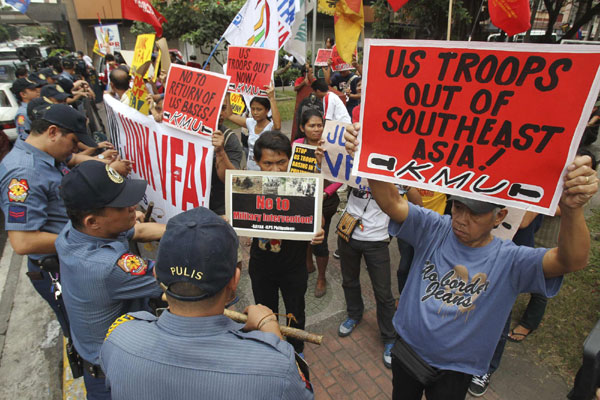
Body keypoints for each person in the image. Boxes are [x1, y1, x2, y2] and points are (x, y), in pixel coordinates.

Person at [344, 126, 598, 400]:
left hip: (455, 369)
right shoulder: (434, 228)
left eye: (475, 214)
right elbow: (392, 203)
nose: (461, 219)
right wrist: (366, 157)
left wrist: (572, 209)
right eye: (458, 207)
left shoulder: (510, 260)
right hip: (408, 349)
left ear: (499, 217)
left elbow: (570, 259)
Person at [100, 207, 314, 400]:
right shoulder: (275, 368)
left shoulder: (118, 336)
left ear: (157, 275)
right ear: (234, 280)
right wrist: (271, 334)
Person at [56, 160, 165, 399]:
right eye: (122, 205)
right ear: (92, 221)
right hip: (116, 380)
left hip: (98, 361)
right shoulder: (108, 266)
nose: (133, 207)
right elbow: (174, 281)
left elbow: (139, 230)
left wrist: (183, 226)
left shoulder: (73, 231)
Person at [0, 105, 99, 338]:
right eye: (74, 141)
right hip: (58, 270)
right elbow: (23, 241)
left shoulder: (46, 158)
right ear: (52, 132)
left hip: (69, 260)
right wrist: (87, 238)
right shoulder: (23, 173)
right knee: (86, 336)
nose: (76, 149)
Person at [249, 131, 324, 356]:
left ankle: (297, 352)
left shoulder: (302, 186)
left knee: (295, 312)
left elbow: (317, 216)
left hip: (293, 267)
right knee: (265, 312)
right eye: (268, 163)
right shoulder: (246, 186)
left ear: (289, 159)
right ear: (257, 162)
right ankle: (271, 350)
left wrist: (318, 230)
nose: (275, 170)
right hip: (261, 266)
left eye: (281, 162)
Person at [296, 109, 341, 297]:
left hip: (326, 202)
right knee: (305, 237)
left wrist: (325, 192)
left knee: (319, 241)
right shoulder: (297, 145)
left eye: (319, 125)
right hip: (304, 200)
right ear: (302, 128)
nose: (316, 129)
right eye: (311, 126)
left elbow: (340, 175)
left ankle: (321, 277)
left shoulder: (332, 146)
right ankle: (308, 264)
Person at [224, 85, 281, 171]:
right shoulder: (250, 122)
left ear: (267, 110)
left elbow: (278, 126)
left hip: (265, 171)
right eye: (253, 109)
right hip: (250, 169)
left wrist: (272, 98)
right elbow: (230, 115)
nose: (255, 112)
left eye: (259, 109)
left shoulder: (270, 127)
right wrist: (227, 94)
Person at [210, 93, 244, 216]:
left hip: (218, 209)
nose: (220, 113)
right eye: (215, 107)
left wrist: (220, 152)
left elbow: (232, 180)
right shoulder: (184, 133)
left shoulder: (230, 139)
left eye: (223, 108)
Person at [291, 64, 316, 140]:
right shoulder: (299, 79)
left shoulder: (314, 80)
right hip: (301, 105)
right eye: (310, 72)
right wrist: (303, 83)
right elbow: (295, 88)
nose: (312, 74)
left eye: (312, 72)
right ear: (305, 73)